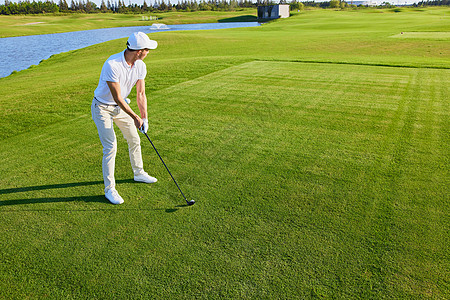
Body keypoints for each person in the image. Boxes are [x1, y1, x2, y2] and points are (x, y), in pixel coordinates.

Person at [91, 32, 158, 205]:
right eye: (147, 49)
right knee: (111, 146)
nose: (149, 52)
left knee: (134, 139)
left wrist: (145, 118)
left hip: (120, 107)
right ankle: (109, 189)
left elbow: (141, 93)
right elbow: (117, 98)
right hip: (102, 108)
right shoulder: (112, 64)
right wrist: (135, 117)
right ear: (138, 51)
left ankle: (138, 173)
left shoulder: (140, 66)